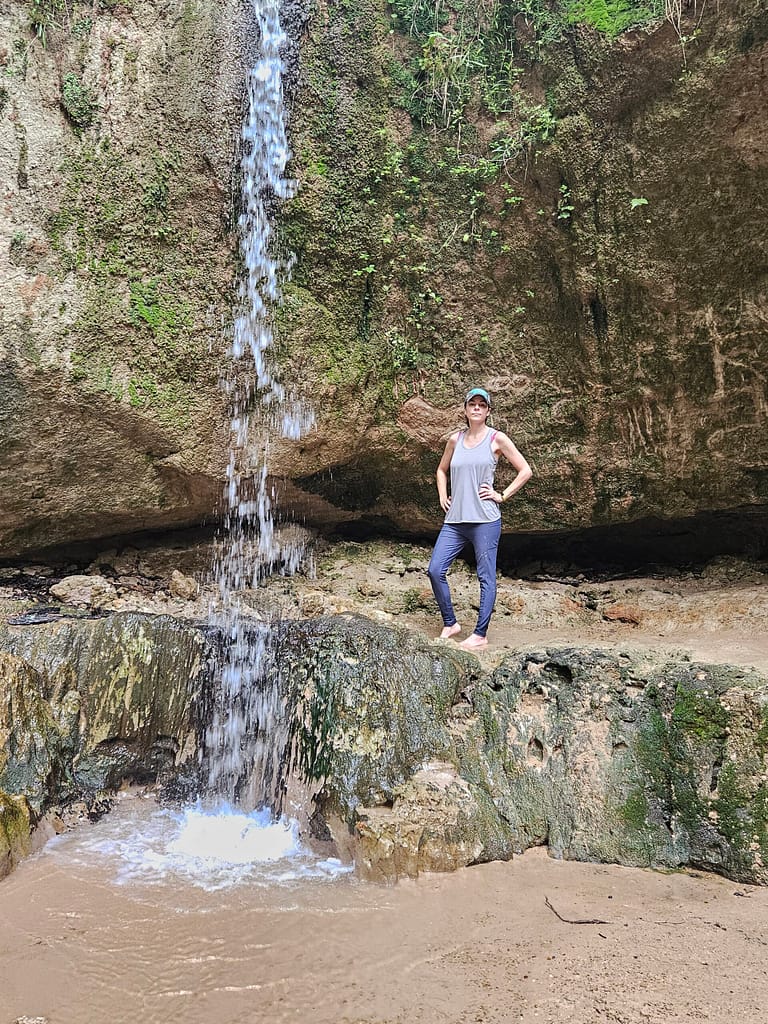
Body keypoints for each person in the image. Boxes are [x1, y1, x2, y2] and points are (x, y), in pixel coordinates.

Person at [427, 387, 532, 650]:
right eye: (471, 404)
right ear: (464, 409)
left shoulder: (497, 439)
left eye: (481, 405)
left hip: (485, 520)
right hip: (455, 521)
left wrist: (502, 495)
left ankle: (480, 634)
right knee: (435, 569)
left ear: (488, 411)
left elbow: (525, 470)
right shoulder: (455, 440)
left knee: (485, 577)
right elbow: (441, 470)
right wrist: (443, 494)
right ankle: (451, 623)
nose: (476, 408)